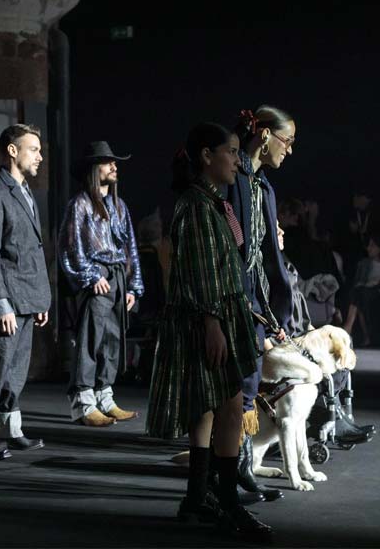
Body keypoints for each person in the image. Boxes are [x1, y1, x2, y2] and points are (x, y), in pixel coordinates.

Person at [146, 122, 271, 540]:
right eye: (230, 152)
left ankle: (198, 497)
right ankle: (228, 503)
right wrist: (213, 322)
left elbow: (223, 262)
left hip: (217, 314)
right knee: (231, 406)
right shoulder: (198, 206)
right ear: (206, 156)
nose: (237, 160)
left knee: (207, 407)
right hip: (210, 317)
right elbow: (202, 273)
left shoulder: (209, 201)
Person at [226, 107, 296, 504]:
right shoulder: (232, 176)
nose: (289, 150)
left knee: (249, 387)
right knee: (233, 389)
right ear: (265, 135)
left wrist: (273, 315)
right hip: (231, 296)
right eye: (287, 141)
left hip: (255, 298)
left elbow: (265, 254)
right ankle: (224, 478)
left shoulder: (262, 187)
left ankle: (241, 472)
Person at [0, 124, 51, 460]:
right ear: (12, 150)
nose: (40, 156)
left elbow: (31, 249)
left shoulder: (25, 191)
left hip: (28, 296)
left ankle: (9, 429)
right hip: (6, 299)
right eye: (34, 149)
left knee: (16, 369)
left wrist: (40, 298)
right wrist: (0, 303)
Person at [59, 141, 143, 427]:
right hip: (97, 278)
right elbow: (70, 246)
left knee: (111, 340)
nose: (114, 166)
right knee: (90, 340)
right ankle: (83, 403)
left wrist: (132, 286)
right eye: (108, 162)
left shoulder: (119, 206)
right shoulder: (80, 204)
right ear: (94, 169)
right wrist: (90, 276)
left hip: (117, 278)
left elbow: (131, 248)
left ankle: (104, 398)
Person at [277, 225, 375, 445]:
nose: (282, 232)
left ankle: (336, 413)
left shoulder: (283, 261)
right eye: (276, 229)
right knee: (330, 355)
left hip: (300, 329)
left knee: (343, 343)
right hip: (286, 337)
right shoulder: (270, 265)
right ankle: (327, 415)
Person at [342, 232, 380, 347]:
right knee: (360, 293)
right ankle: (362, 333)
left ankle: (349, 327)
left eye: (372, 245)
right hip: (364, 293)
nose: (368, 248)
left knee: (361, 294)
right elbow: (358, 282)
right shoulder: (364, 264)